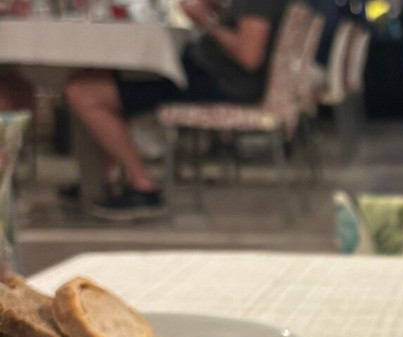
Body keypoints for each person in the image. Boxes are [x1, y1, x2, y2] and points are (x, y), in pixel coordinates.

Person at [64, 0, 289, 220]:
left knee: (83, 91)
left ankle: (143, 185)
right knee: (99, 75)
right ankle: (100, 179)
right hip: (207, 72)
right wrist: (215, 9)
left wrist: (206, 21)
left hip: (219, 81)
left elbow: (249, 57)